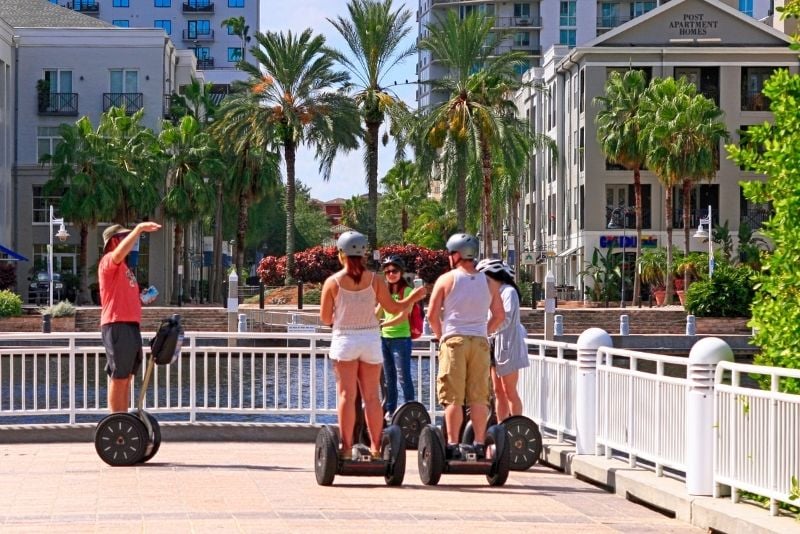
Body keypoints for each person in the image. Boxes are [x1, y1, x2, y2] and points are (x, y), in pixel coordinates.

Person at [320, 231, 426, 460]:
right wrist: (412, 298)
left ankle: (347, 448)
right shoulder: (376, 280)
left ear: (341, 255)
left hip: (345, 340)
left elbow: (325, 318)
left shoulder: (333, 283)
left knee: (347, 396)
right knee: (372, 397)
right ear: (364, 254)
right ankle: (377, 449)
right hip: (370, 340)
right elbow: (395, 308)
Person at [427, 233, 504, 458]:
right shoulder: (489, 282)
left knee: (453, 397)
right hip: (479, 343)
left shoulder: (446, 279)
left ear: (457, 255)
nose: (449, 257)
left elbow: (432, 315)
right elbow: (499, 315)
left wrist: (442, 336)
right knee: (478, 397)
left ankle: (452, 445)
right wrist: (483, 332)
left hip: (454, 342)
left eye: (451, 253)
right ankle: (479, 445)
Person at [99, 222, 162, 413]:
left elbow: (126, 296)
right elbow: (118, 253)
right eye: (122, 237)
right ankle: (116, 421)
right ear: (113, 242)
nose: (129, 241)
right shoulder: (109, 260)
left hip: (130, 325)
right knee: (119, 376)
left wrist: (142, 298)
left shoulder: (125, 269)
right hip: (117, 323)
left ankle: (122, 420)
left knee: (126, 377)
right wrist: (139, 229)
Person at [476, 259, 529, 421]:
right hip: (493, 346)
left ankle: (516, 426)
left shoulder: (508, 292)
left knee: (509, 391)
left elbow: (504, 318)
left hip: (508, 346)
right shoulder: (490, 294)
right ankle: (501, 427)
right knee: (498, 391)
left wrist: (485, 330)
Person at [375, 255, 415, 417]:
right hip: (385, 339)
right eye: (388, 272)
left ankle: (409, 410)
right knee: (388, 379)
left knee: (403, 377)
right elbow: (377, 313)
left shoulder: (407, 291)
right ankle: (391, 411)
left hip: (401, 339)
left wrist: (383, 325)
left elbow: (404, 315)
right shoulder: (384, 292)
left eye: (395, 271)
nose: (391, 274)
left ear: (401, 272)